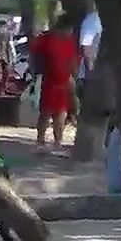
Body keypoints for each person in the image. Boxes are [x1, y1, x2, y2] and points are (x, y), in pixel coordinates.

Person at [28, 15, 81, 149]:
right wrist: (35, 70)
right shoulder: (47, 39)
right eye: (69, 29)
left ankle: (57, 142)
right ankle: (40, 140)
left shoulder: (69, 42)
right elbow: (33, 52)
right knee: (46, 112)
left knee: (61, 113)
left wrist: (74, 76)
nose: (70, 32)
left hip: (64, 81)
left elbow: (73, 60)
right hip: (49, 81)